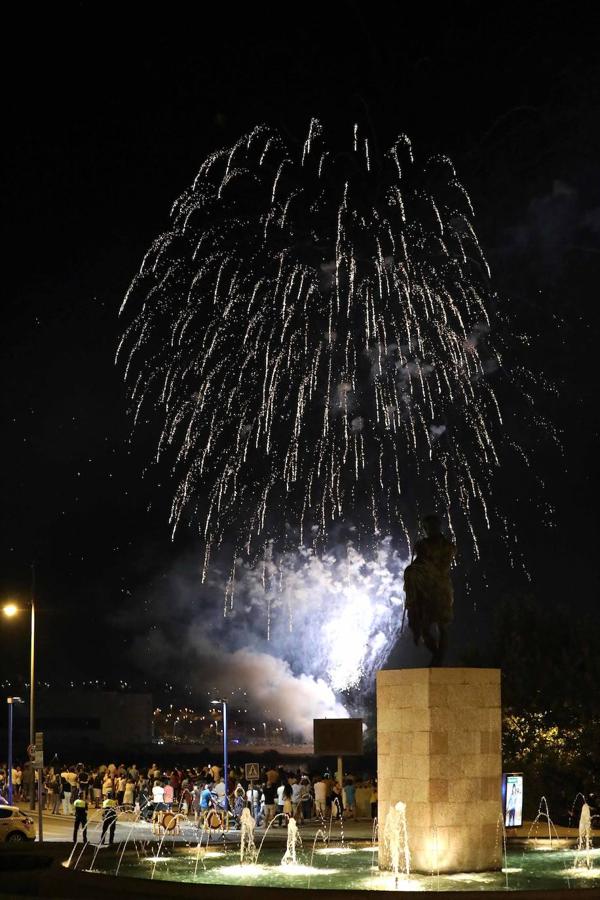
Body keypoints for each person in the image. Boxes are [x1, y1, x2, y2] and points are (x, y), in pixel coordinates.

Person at [403, 514, 456, 666]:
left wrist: (424, 566)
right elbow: (418, 564)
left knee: (442, 624)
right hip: (424, 588)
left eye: (431, 526)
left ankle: (438, 659)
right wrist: (413, 570)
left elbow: (443, 566)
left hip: (440, 588)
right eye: (426, 527)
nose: (429, 530)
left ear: (437, 526)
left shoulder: (448, 546)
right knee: (425, 627)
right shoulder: (422, 545)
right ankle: (437, 656)